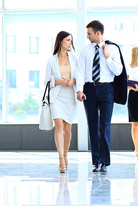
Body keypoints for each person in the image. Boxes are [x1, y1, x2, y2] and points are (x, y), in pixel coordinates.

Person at [77, 20, 123, 173]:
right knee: (92, 125)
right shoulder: (85, 50)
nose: (87, 37)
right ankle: (96, 161)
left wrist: (107, 56)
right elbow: (80, 71)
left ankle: (104, 162)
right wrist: (79, 89)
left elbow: (118, 71)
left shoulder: (113, 48)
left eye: (89, 33)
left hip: (107, 89)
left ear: (98, 33)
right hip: (89, 89)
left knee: (105, 126)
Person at [44, 31, 79, 173]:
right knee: (58, 125)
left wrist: (73, 81)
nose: (70, 43)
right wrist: (58, 81)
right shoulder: (51, 60)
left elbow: (80, 75)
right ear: (60, 41)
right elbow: (46, 82)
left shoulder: (74, 58)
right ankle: (60, 159)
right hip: (57, 96)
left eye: (71, 40)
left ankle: (65, 155)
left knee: (67, 129)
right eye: (67, 40)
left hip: (70, 96)